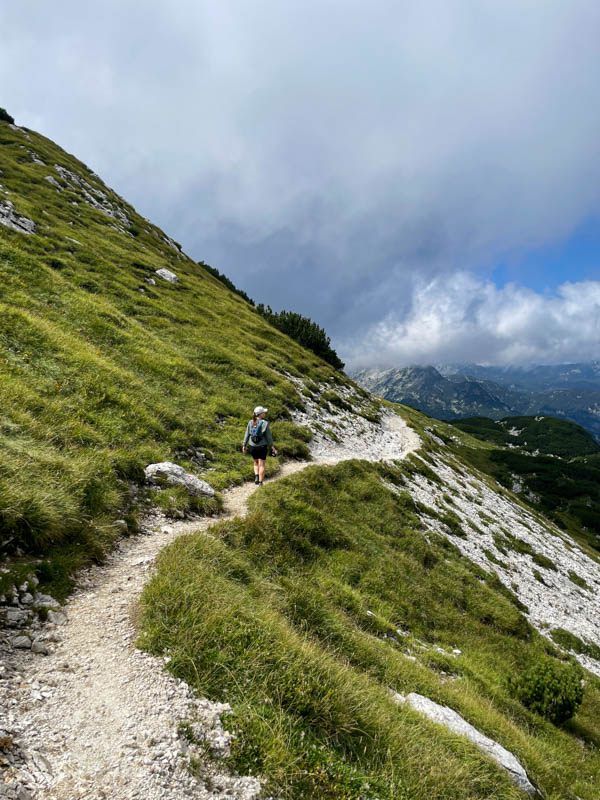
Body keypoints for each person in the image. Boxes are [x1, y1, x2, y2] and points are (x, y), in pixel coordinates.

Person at [242, 406, 277, 485]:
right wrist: (272, 447)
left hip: (252, 446)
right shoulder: (265, 423)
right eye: (263, 412)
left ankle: (256, 476)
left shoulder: (250, 422)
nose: (264, 414)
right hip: (262, 446)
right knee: (262, 465)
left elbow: (247, 434)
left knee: (255, 462)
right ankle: (261, 482)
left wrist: (244, 445)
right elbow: (268, 437)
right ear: (260, 414)